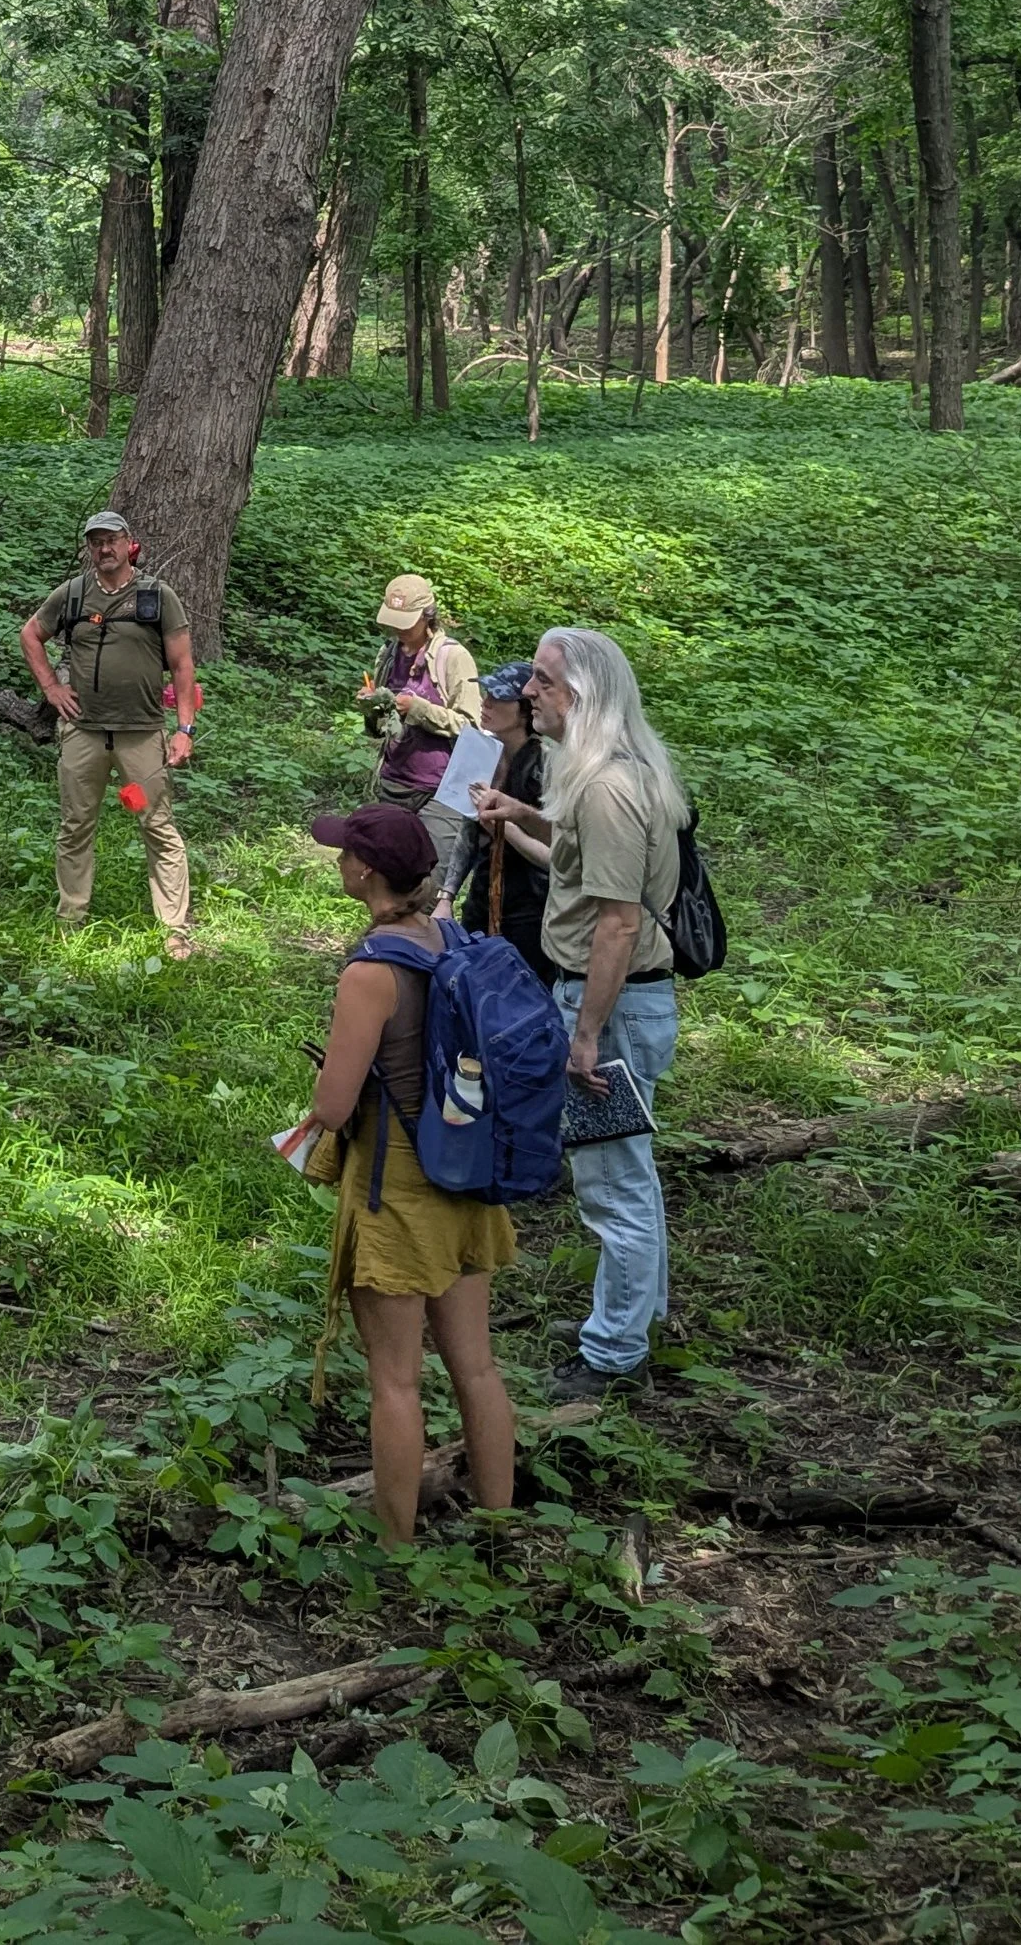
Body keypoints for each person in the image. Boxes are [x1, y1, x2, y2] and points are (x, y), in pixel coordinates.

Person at [303, 802, 517, 1544]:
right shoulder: (450, 936)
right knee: (477, 1367)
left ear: (365, 870)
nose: (337, 861)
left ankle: (395, 1548)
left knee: (394, 1378)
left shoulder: (371, 971)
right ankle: (499, 1523)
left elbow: (333, 1104)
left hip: (395, 1183)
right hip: (468, 1168)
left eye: (343, 853)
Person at [516, 625, 686, 1399]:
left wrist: (585, 1031)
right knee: (628, 1174)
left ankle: (614, 1353)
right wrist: (515, 825)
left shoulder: (610, 787)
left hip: (608, 1005)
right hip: (607, 999)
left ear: (580, 693)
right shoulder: (602, 775)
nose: (528, 692)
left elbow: (617, 921)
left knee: (612, 1184)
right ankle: (633, 1313)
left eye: (544, 681)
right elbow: (582, 876)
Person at [20, 510, 199, 958]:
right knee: (76, 825)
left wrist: (184, 729)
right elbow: (31, 634)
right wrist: (51, 687)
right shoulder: (74, 594)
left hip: (140, 736)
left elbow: (182, 666)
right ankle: (71, 916)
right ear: (89, 547)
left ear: (128, 543)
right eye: (96, 541)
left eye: (111, 539)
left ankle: (174, 927)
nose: (104, 548)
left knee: (155, 824)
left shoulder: (158, 596)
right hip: (83, 734)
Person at [448, 657, 555, 985]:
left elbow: (560, 848)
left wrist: (506, 827)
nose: (487, 703)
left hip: (533, 906)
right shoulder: (480, 750)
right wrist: (446, 896)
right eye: (486, 694)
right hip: (483, 896)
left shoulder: (546, 765)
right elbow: (469, 827)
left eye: (499, 697)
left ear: (524, 710)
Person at [359, 574, 483, 830]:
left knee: (433, 868)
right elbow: (381, 730)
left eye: (406, 622)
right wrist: (371, 709)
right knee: (387, 865)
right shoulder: (388, 654)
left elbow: (472, 726)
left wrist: (418, 709)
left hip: (441, 789)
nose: (398, 629)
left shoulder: (453, 657)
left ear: (427, 615)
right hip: (393, 781)